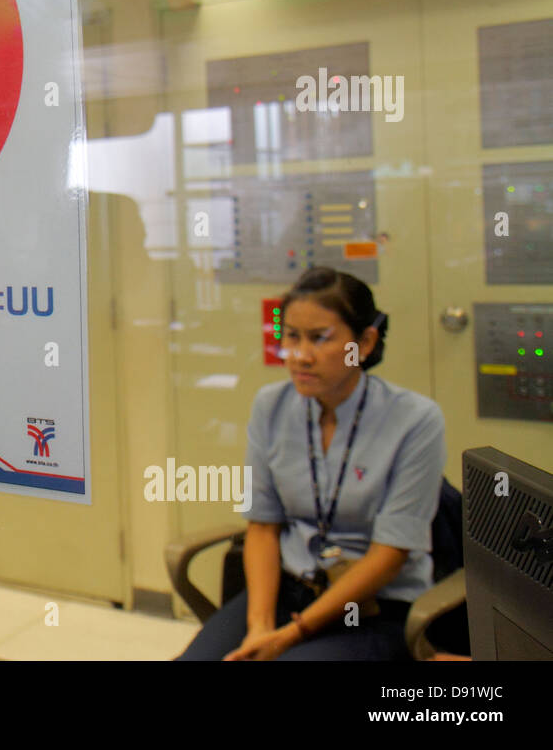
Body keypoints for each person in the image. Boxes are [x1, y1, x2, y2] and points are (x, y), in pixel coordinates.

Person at [176, 267, 445, 660]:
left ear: (364, 343)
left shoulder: (415, 420)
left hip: (371, 606)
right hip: (289, 588)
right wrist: (260, 627)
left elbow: (389, 557)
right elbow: (263, 528)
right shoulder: (272, 406)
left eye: (320, 339)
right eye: (292, 337)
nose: (300, 356)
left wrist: (289, 637)